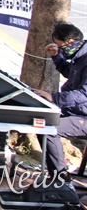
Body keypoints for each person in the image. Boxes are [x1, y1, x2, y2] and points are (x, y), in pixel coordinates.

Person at [34, 22, 87, 183]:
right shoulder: (80, 56)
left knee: (49, 129)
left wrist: (54, 98)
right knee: (39, 119)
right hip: (77, 108)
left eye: (60, 46)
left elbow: (84, 94)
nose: (61, 49)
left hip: (83, 113)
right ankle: (57, 171)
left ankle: (60, 178)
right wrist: (56, 56)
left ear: (70, 42)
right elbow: (70, 73)